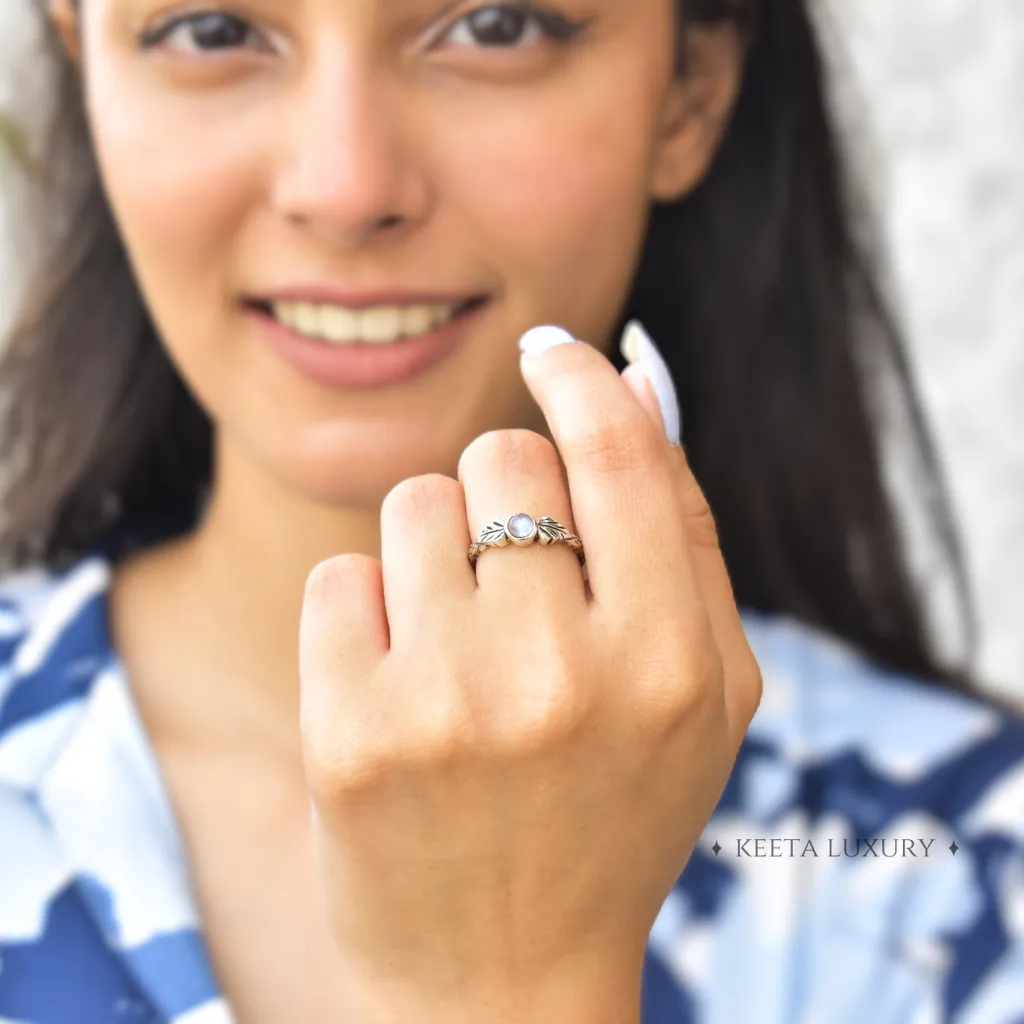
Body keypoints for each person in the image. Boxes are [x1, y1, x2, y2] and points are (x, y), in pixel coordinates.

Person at [0, 0, 1021, 1021]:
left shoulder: (960, 871)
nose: (346, 187)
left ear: (691, 91)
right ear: (83, 56)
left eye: (495, 26)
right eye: (213, 32)